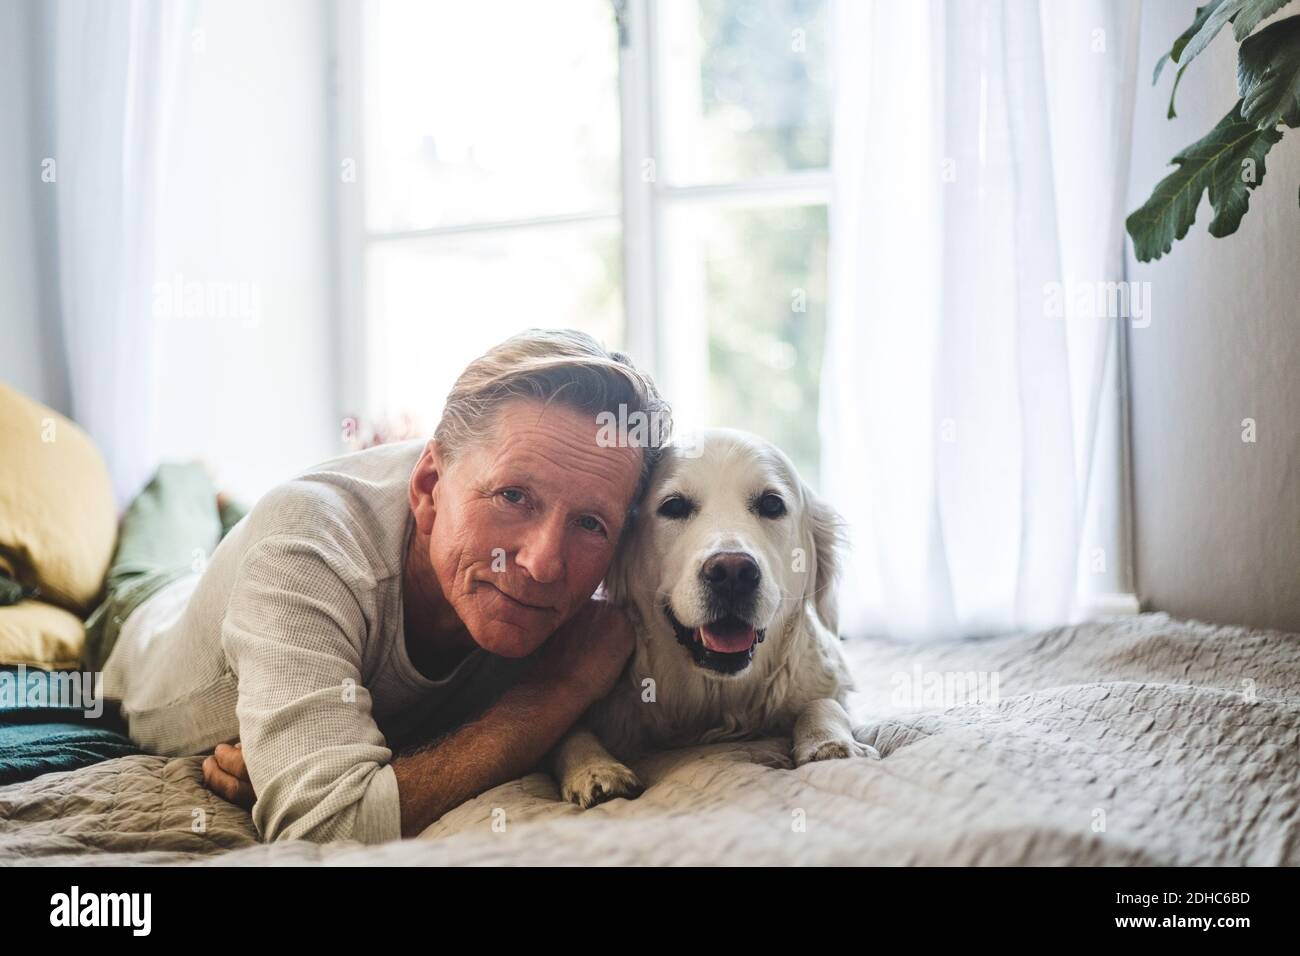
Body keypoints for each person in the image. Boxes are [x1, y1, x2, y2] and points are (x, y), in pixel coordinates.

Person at [90, 329, 669, 844]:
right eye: (513, 497)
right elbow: (327, 822)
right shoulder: (305, 542)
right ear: (429, 484)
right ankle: (188, 477)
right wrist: (560, 689)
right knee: (168, 528)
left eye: (591, 524)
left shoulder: (601, 575)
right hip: (143, 619)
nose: (544, 565)